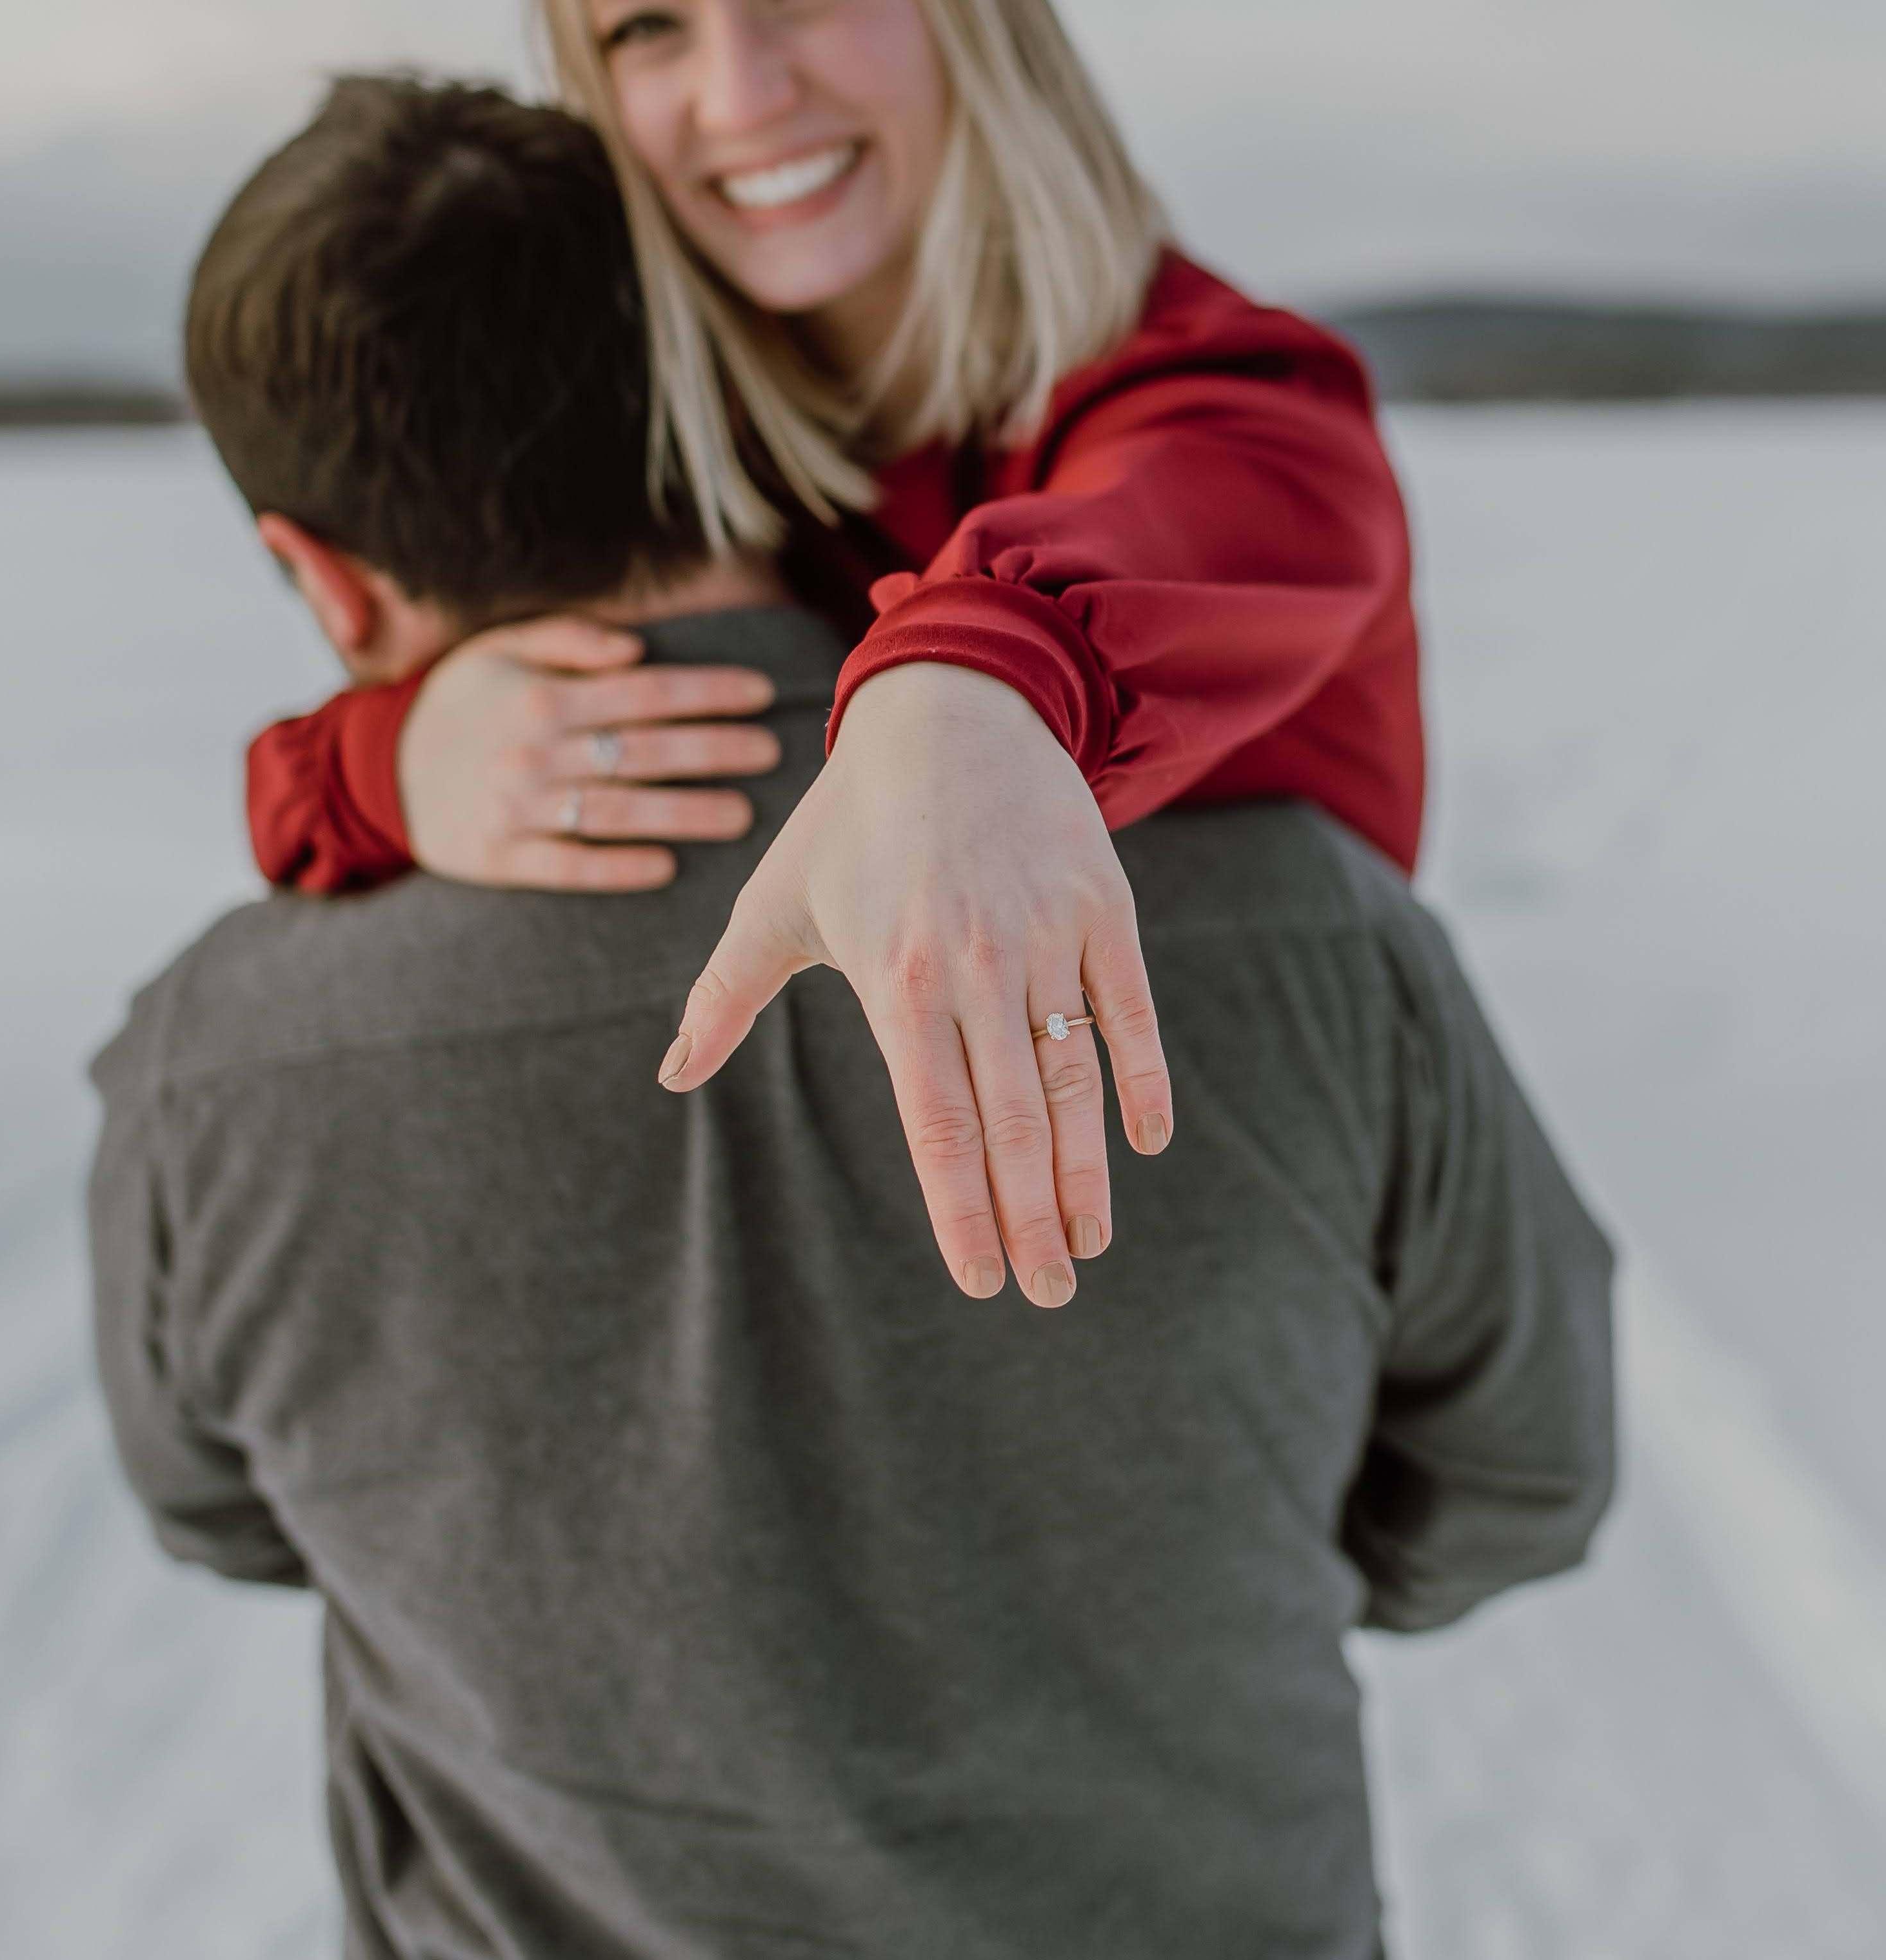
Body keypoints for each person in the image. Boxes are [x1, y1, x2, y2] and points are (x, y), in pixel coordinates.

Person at [93, 75, 1615, 1960]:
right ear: (736, 394)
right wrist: (1193, 1575)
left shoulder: (210, 1067)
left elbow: (224, 1518)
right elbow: (1524, 1471)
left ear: (315, 574)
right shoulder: (1306, 913)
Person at [239, 0, 1427, 1308]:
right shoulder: (710, 450)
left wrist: (968, 691)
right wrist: (388, 760)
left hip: (1278, 1265)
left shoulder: (1239, 409)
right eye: (647, 27)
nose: (740, 94)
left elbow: (1185, 518)